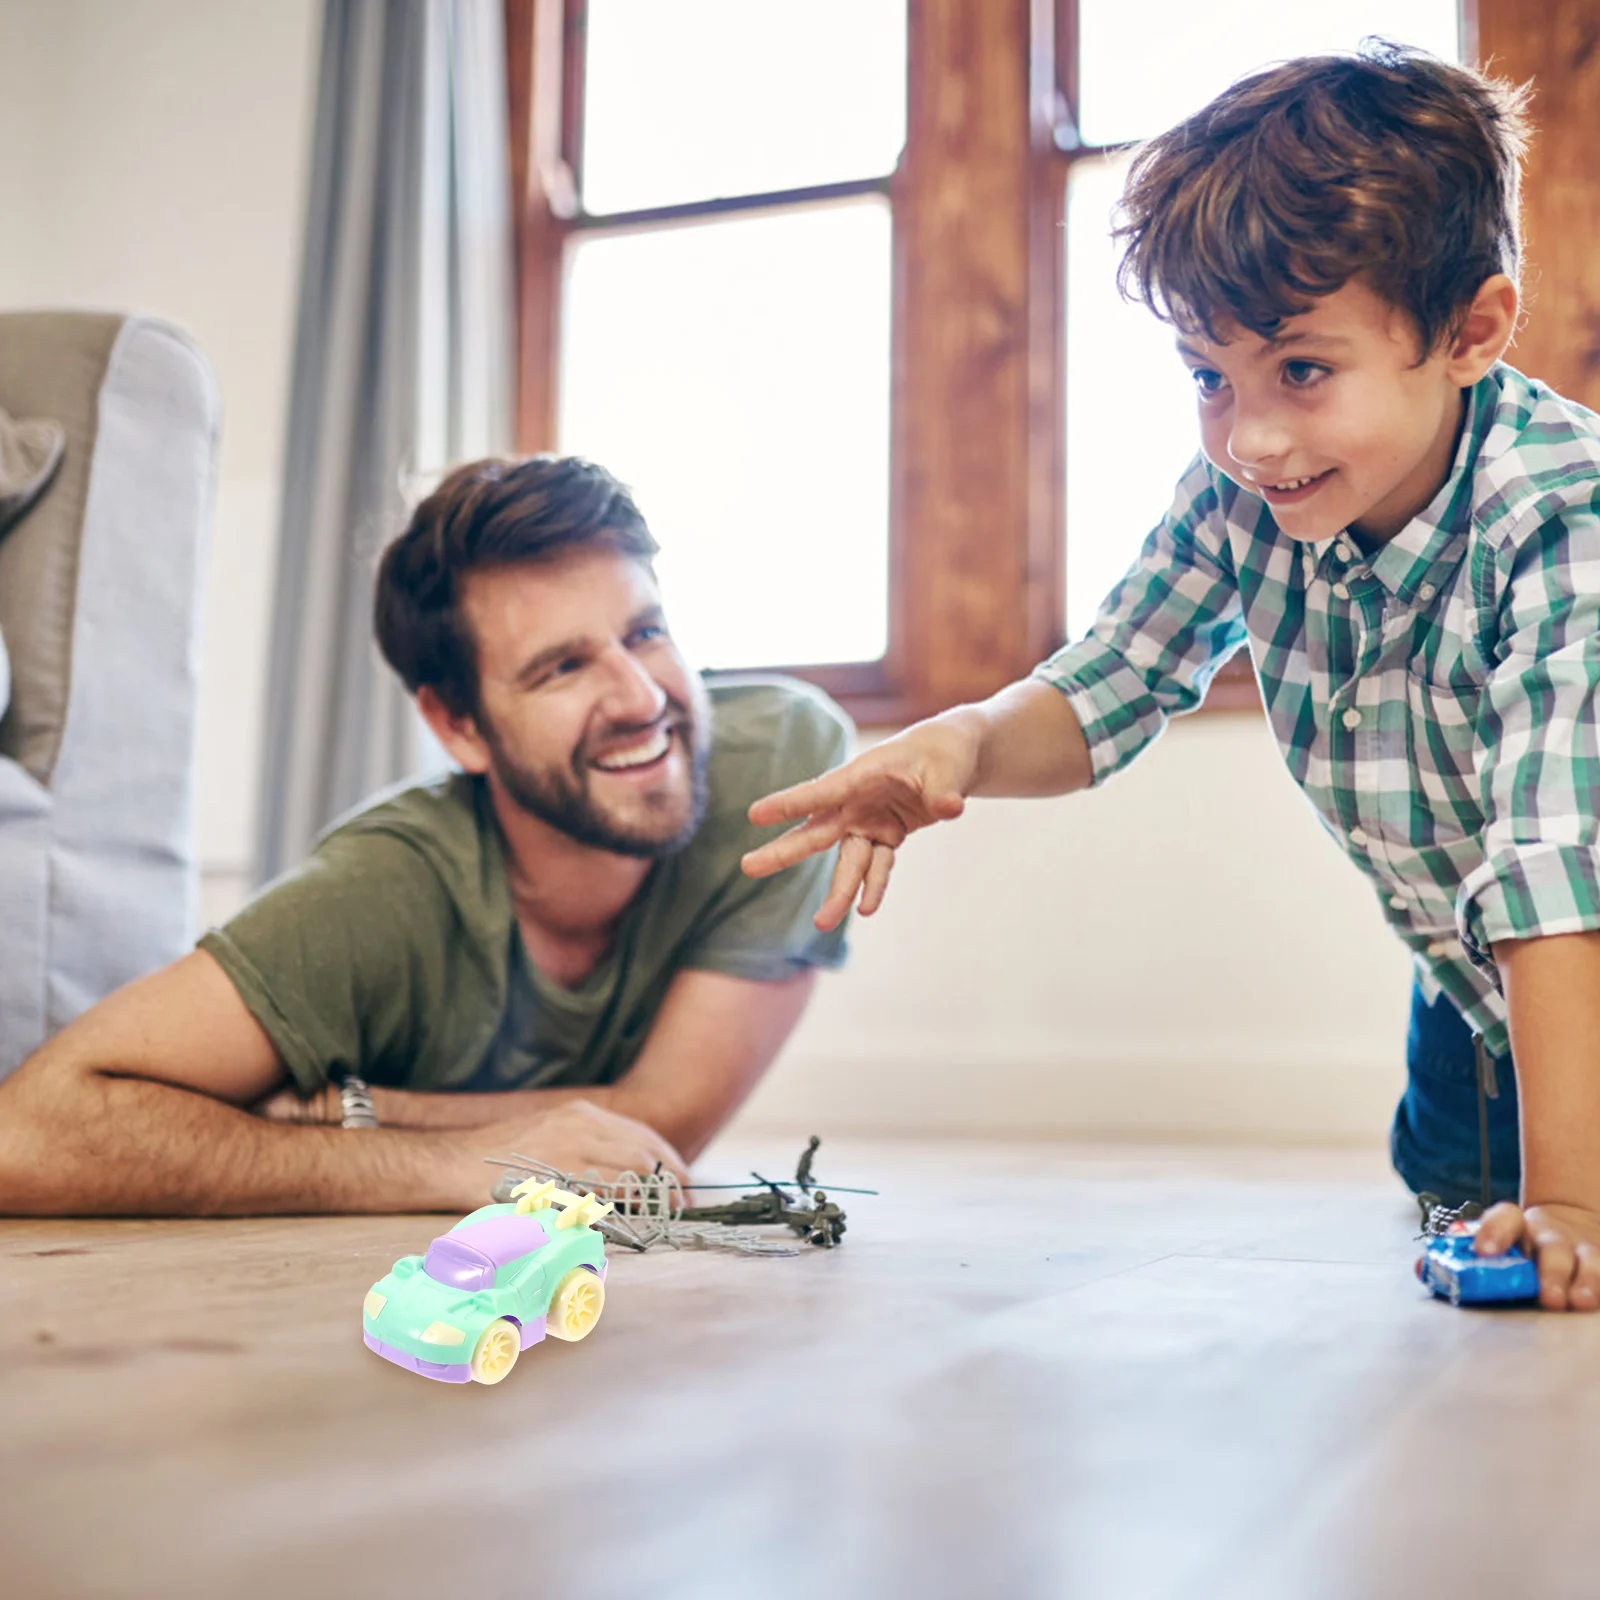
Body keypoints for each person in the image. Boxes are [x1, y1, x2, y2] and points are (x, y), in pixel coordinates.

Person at [742, 44, 1600, 1312]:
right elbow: (1111, 683)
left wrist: (1573, 1198)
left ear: (1469, 329)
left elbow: (1553, 868)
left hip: (1568, 940)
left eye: (1302, 370)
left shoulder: (1560, 514)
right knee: (1461, 1239)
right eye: (1210, 377)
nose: (1249, 436)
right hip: (1479, 1001)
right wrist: (964, 742)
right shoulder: (1245, 497)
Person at [0, 455, 850, 1214]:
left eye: (645, 633)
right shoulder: (377, 894)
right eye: (563, 666)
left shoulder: (781, 771)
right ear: (458, 726)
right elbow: (26, 1136)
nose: (640, 698)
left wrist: (349, 1111)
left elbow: (662, 1130)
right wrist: (444, 1163)